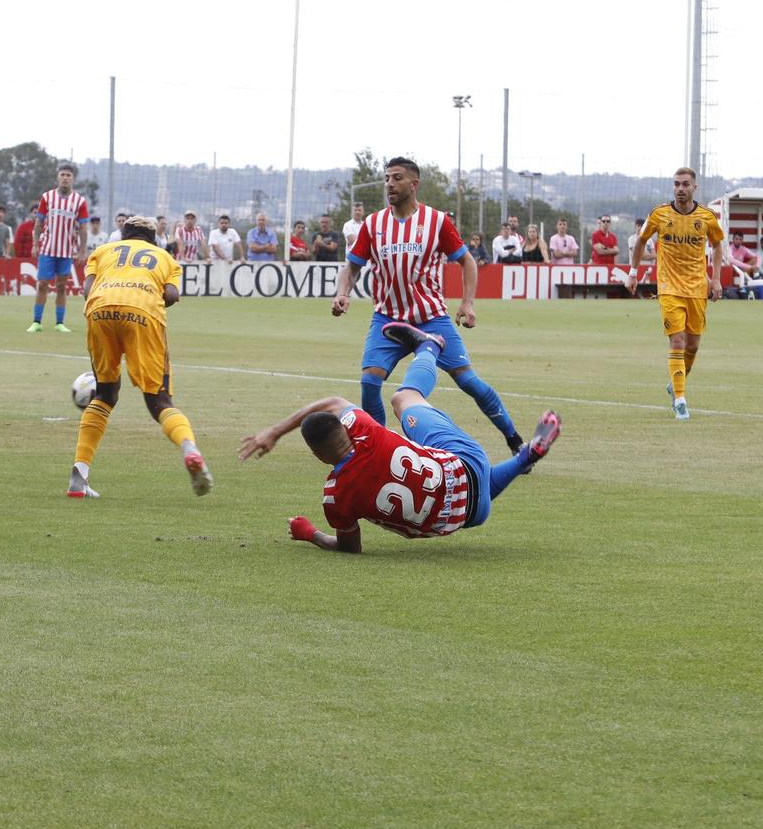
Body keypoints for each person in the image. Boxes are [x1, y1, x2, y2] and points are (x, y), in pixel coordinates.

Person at [239, 321, 560, 554]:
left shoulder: (335, 497)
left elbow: (349, 547)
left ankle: (525, 457)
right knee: (403, 398)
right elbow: (332, 402)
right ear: (344, 428)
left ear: (319, 456)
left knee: (469, 493)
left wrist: (310, 533)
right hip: (466, 460)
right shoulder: (364, 429)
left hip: (468, 516)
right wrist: (275, 432)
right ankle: (429, 347)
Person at [335, 156, 527, 452]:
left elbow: (467, 261)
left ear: (414, 184)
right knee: (369, 382)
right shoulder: (374, 224)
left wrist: (468, 303)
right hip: (388, 319)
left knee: (469, 382)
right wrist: (343, 292)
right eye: (387, 178)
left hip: (431, 318)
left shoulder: (436, 221)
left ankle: (514, 439)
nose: (389, 184)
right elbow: (351, 267)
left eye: (397, 178)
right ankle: (378, 448)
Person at [65, 217, 211, 499]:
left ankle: (78, 478)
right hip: (142, 315)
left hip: (100, 310)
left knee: (104, 395)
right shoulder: (165, 257)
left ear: (123, 235)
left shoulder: (104, 251)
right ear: (152, 239)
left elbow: (86, 291)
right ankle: (189, 449)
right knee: (159, 400)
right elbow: (171, 295)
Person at [631, 168, 727, 420]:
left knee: (693, 344)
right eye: (676, 184)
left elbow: (717, 245)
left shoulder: (706, 217)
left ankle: (675, 384)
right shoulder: (660, 214)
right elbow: (641, 241)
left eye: (685, 184)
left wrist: (715, 279)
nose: (680, 188)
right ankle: (681, 400)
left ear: (694, 187)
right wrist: (633, 271)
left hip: (697, 288)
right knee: (677, 341)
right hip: (669, 288)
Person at [27, 163, 89, 332]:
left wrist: (82, 250)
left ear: (72, 179)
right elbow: (39, 223)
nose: (65, 178)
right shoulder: (47, 197)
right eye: (62, 174)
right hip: (47, 248)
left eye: (68, 175)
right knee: (42, 285)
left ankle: (59, 323)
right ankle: (37, 322)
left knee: (61, 287)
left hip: (66, 250)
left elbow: (83, 228)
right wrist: (35, 244)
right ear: (58, 177)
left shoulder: (79, 201)